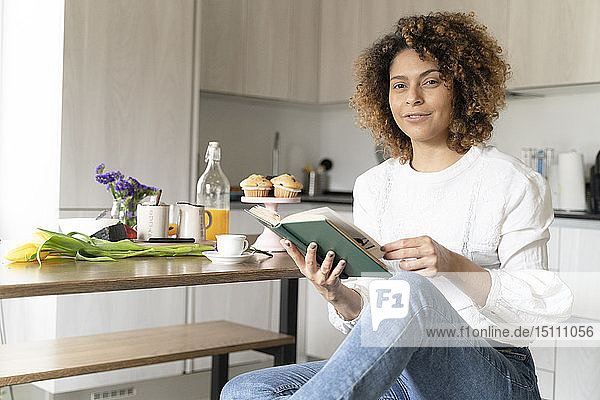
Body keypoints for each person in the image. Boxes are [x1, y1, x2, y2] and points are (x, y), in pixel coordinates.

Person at [220, 12, 572, 400]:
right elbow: (378, 312)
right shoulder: (374, 185)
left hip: (494, 372)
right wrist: (339, 296)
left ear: (463, 89)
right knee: (246, 389)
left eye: (431, 82)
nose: (412, 99)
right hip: (404, 369)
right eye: (399, 85)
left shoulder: (514, 182)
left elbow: (536, 315)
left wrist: (453, 264)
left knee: (411, 288)